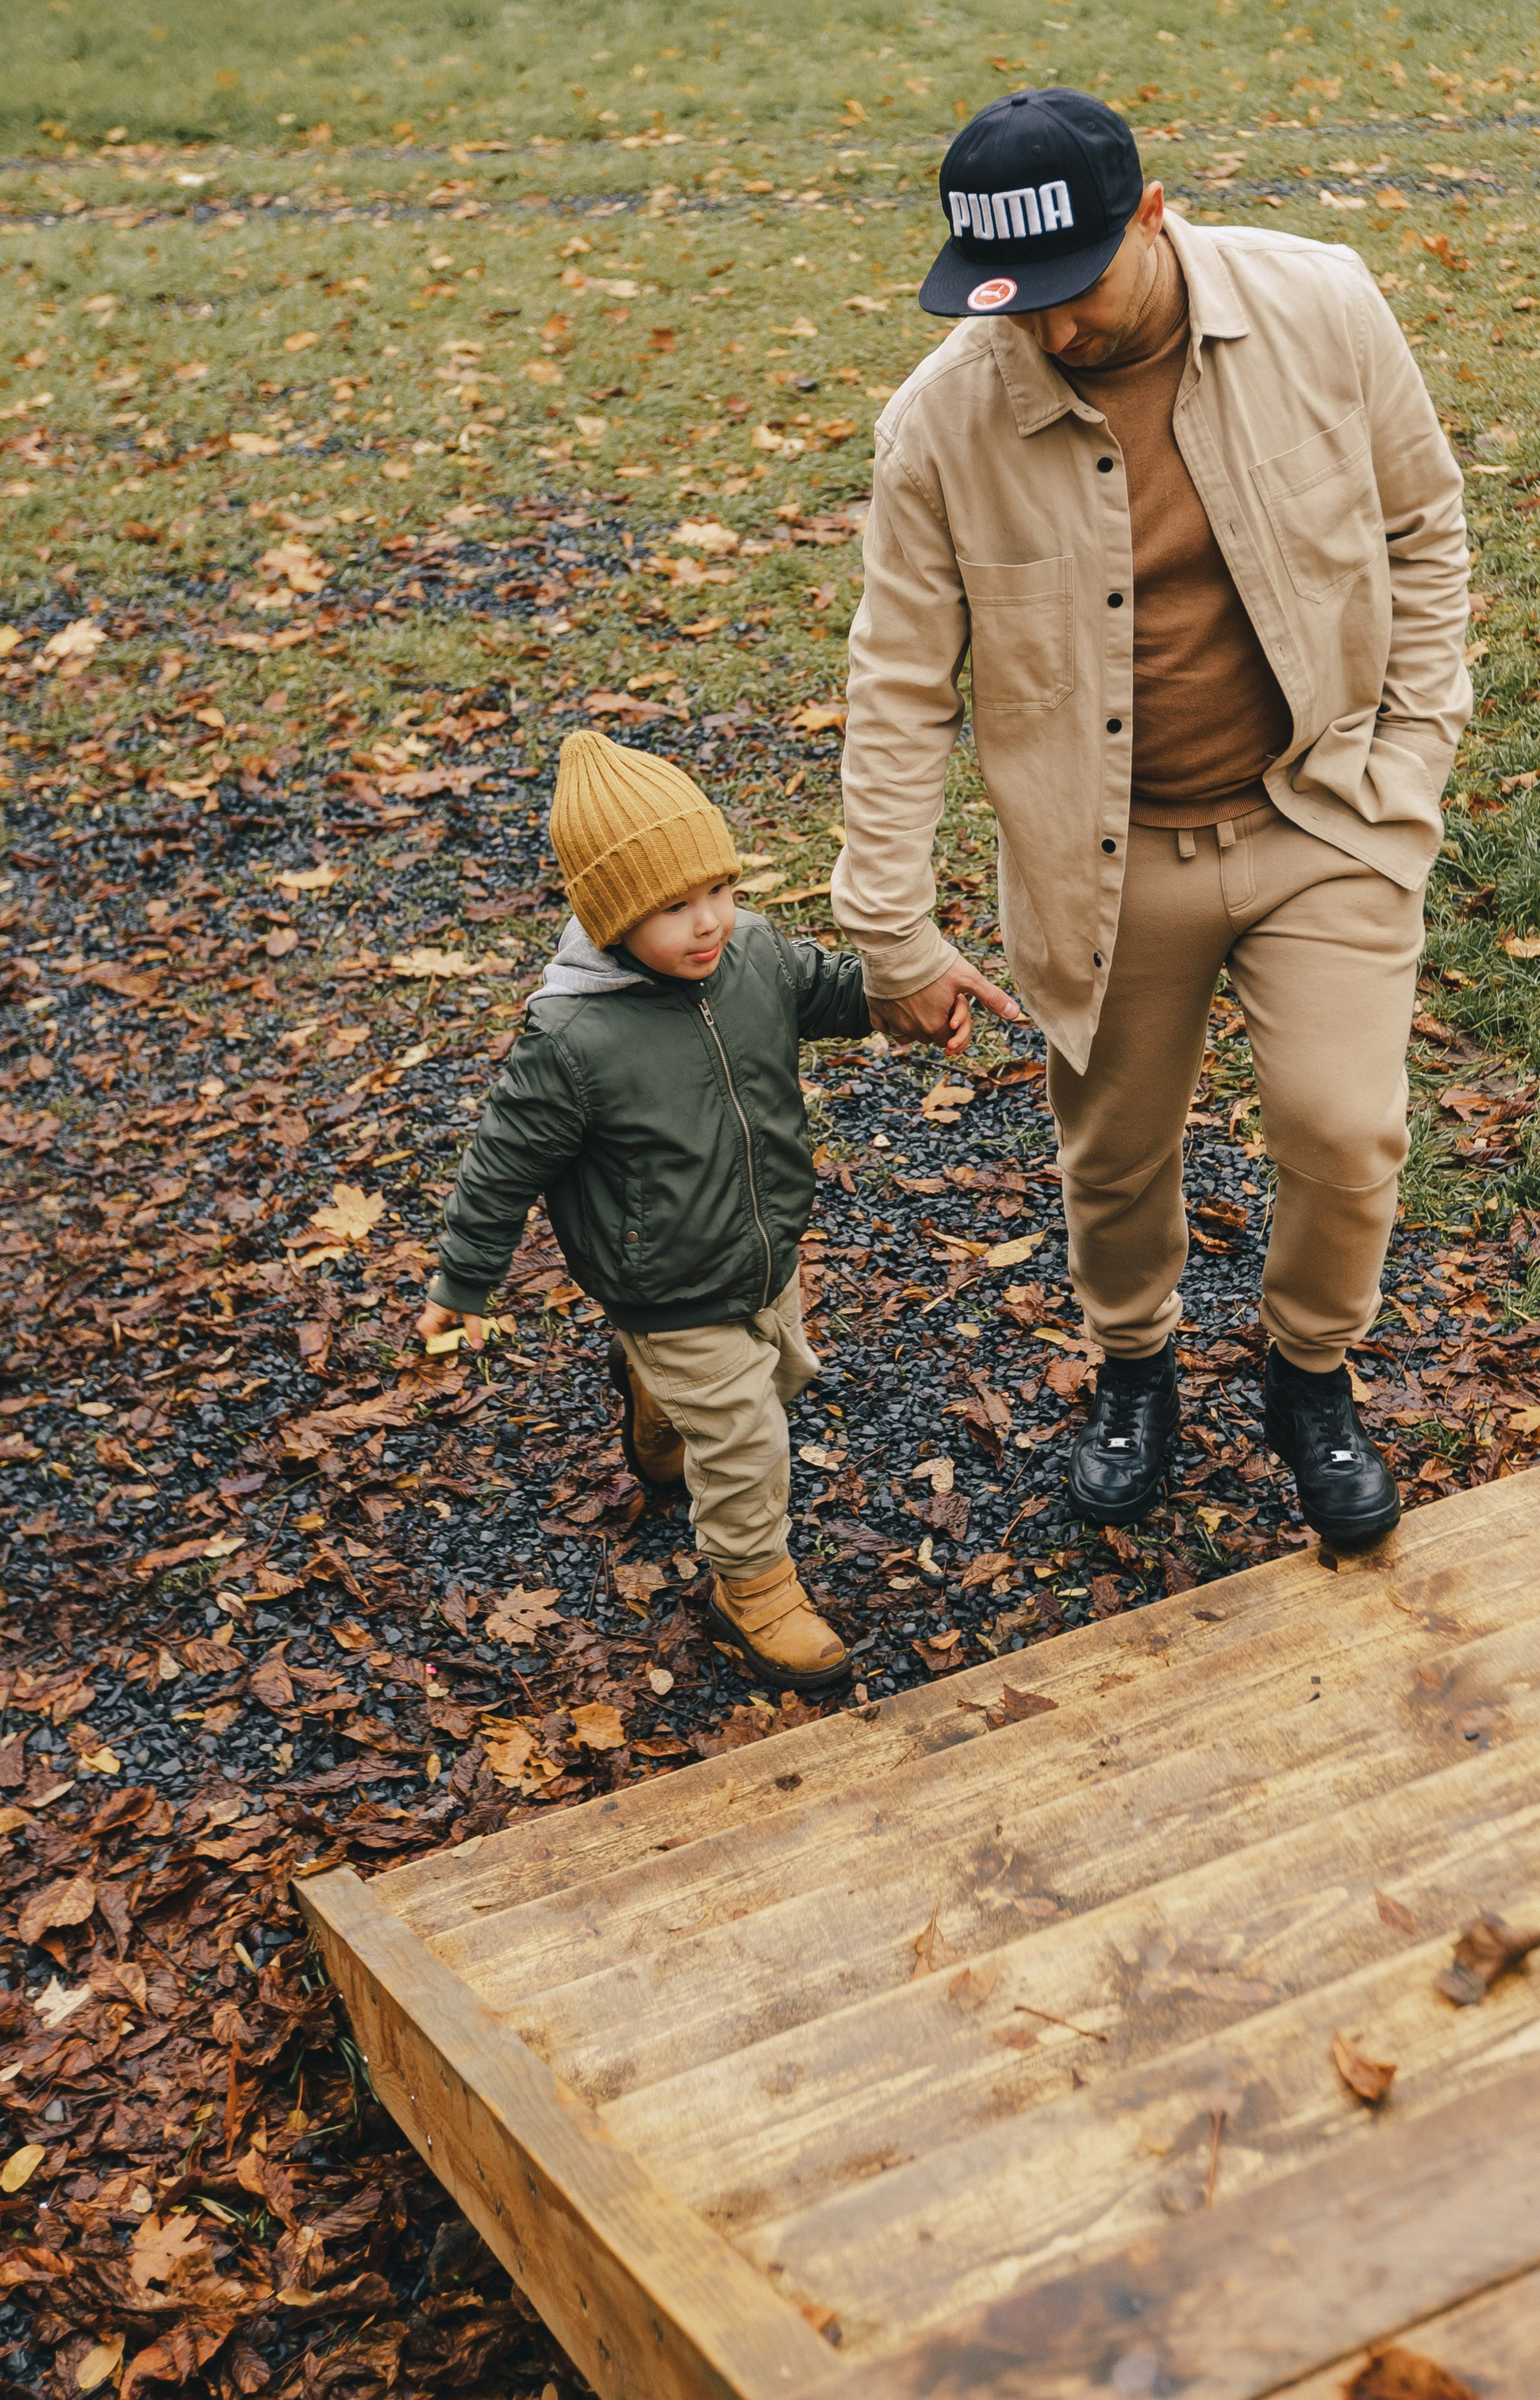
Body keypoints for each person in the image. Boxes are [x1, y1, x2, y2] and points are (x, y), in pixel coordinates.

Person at [832, 89, 1471, 1553]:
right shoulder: (940, 423)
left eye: (1075, 291)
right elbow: (899, 682)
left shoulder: (1324, 306)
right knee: (1114, 1161)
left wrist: (1416, 747)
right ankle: (1138, 1372)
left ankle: (1309, 1375)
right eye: (1013, 309)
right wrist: (892, 924)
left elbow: (1423, 523)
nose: (1049, 336)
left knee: (1345, 1125)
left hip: (1322, 813)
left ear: (1154, 213)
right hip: (1099, 862)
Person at [417, 729, 870, 1692]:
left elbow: (830, 989)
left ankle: (654, 1399)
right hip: (663, 1287)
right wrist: (464, 1279)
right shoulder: (573, 1039)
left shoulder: (747, 956)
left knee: (782, 1376)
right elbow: (501, 1165)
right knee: (748, 1439)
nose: (707, 921)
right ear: (614, 915)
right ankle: (754, 1593)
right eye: (674, 906)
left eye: (717, 889)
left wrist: (907, 994)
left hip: (764, 1250)